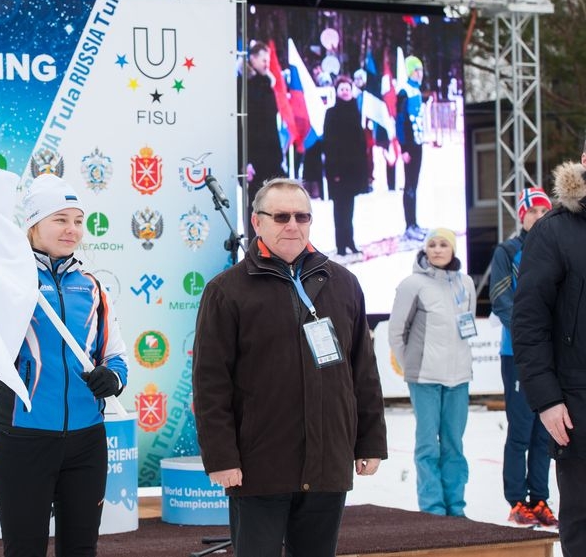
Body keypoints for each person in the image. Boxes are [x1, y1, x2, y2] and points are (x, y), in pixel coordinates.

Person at [192, 177, 387, 557]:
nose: (292, 225)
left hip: (327, 463)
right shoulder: (227, 290)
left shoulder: (343, 283)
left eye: (302, 216)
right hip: (259, 465)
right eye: (281, 216)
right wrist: (222, 457)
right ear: (257, 222)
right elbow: (211, 382)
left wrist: (371, 441)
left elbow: (363, 370)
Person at [0, 173, 129, 557]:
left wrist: (112, 378)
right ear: (33, 224)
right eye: (60, 219)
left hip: (87, 441)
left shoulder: (92, 286)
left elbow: (115, 354)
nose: (72, 230)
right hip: (25, 437)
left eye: (78, 221)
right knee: (24, 549)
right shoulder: (11, 282)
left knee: (81, 549)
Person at [512, 146, 586, 554]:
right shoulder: (554, 230)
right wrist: (547, 399)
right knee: (582, 521)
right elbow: (529, 322)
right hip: (577, 406)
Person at [388, 228, 477, 516]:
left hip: (458, 378)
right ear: (425, 250)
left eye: (443, 244)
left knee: (454, 445)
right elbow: (396, 332)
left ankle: (456, 506)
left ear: (452, 249)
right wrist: (411, 365)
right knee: (428, 446)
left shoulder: (466, 283)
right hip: (424, 379)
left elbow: (468, 322)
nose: (437, 249)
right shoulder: (411, 284)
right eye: (432, 245)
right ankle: (432, 508)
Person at [489, 187, 558, 527]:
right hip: (516, 353)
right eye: (532, 212)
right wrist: (530, 337)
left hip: (550, 354)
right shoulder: (508, 251)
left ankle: (540, 498)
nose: (538, 217)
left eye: (544, 211)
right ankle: (516, 499)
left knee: (545, 431)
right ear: (521, 217)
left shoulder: (555, 249)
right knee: (521, 429)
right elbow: (501, 299)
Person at [323, 75, 370, 257]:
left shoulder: (355, 111)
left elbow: (359, 143)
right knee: (339, 208)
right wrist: (334, 170)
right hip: (338, 170)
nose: (345, 92)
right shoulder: (331, 113)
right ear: (337, 91)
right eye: (342, 89)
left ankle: (350, 241)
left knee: (349, 208)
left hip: (353, 170)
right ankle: (340, 244)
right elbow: (329, 143)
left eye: (347, 89)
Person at [242, 42, 285, 234]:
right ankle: (255, 251)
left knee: (273, 208)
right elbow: (245, 126)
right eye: (263, 59)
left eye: (268, 59)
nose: (267, 63)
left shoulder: (267, 84)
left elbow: (270, 122)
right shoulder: (245, 85)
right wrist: (246, 161)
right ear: (252, 58)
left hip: (271, 155)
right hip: (256, 157)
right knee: (255, 207)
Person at [396, 56, 426, 241]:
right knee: (409, 185)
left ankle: (414, 222)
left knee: (414, 184)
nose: (420, 74)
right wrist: (404, 147)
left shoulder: (416, 90)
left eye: (421, 70)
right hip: (410, 145)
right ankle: (409, 225)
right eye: (417, 70)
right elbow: (400, 121)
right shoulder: (404, 91)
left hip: (418, 142)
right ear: (410, 72)